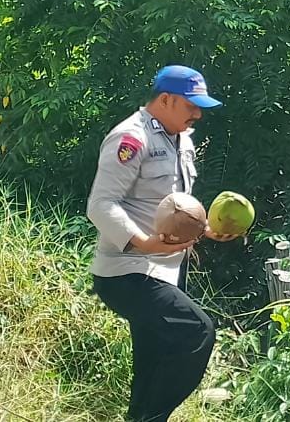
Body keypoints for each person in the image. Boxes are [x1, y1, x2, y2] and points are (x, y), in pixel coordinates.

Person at [86, 65, 239, 422]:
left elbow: (172, 206)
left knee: (153, 361)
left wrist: (204, 229)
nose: (198, 114)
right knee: (196, 333)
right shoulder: (131, 138)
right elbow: (101, 205)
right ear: (166, 99)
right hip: (127, 272)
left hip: (165, 271)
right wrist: (143, 243)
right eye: (191, 105)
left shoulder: (181, 139)